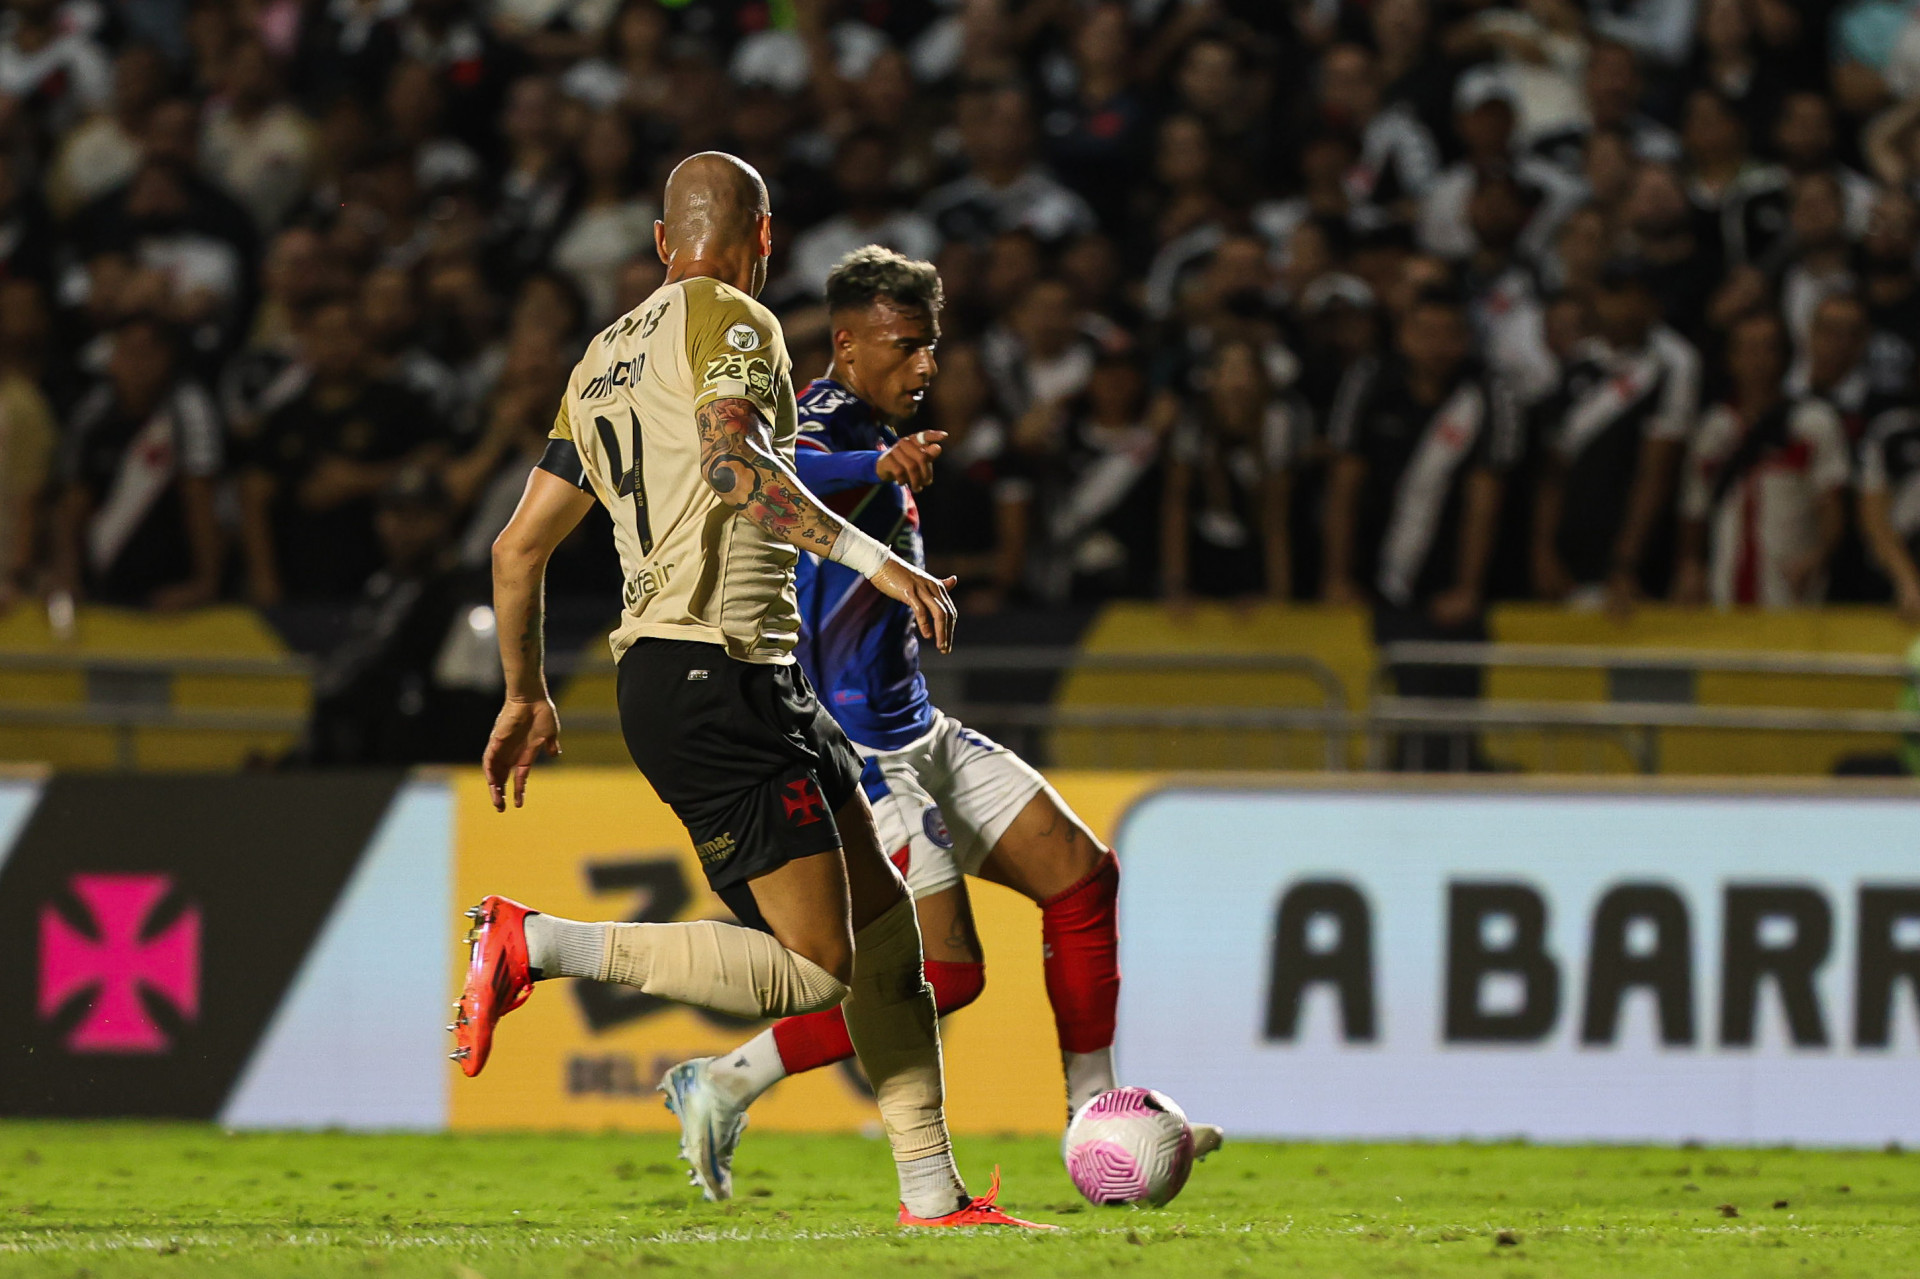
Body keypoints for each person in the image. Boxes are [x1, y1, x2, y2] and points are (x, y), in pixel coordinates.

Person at [452, 155, 1046, 1231]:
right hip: (711, 669)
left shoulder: (599, 364)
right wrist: (881, 562)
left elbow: (514, 548)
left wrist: (525, 690)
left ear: (655, 237)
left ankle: (932, 1194)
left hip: (725, 674)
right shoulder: (733, 320)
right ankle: (532, 943)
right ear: (762, 239)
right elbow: (737, 469)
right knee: (820, 966)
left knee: (890, 940)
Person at [660, 244, 1222, 1187]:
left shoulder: (881, 424)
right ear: (846, 343)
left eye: (932, 346)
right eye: (905, 346)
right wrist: (876, 461)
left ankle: (1093, 1113)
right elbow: (776, 475)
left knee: (1083, 881)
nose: (926, 366)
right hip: (861, 752)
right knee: (946, 975)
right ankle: (724, 1079)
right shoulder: (816, 419)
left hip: (922, 729)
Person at [1530, 259, 1701, 612]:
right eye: (1609, 294)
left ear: (1650, 303)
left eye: (1627, 295)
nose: (1616, 306)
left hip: (1635, 560)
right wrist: (1543, 551)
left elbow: (1656, 474)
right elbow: (1554, 470)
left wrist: (1625, 564)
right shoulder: (1580, 361)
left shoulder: (1674, 363)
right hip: (1572, 550)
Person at [1676, 310, 1850, 609]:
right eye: (1746, 350)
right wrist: (1691, 565)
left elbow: (1832, 503)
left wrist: (1818, 557)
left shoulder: (1813, 421)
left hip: (1791, 592)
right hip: (1723, 595)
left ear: (1785, 357)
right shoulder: (1714, 428)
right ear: (1730, 358)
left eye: (1767, 348)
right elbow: (1695, 507)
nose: (1757, 360)